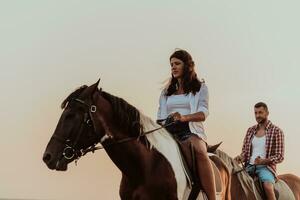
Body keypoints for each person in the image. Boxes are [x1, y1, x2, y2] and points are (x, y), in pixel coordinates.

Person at [157, 49, 216, 200]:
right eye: (171, 64)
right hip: (169, 131)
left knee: (199, 150)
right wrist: (167, 122)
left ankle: (211, 197)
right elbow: (160, 117)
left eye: (177, 63)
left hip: (191, 131)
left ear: (187, 66)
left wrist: (183, 118)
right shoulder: (165, 92)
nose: (173, 67)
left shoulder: (200, 88)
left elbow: (203, 114)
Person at [234, 102, 285, 200]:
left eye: (260, 112)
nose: (258, 115)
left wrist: (263, 161)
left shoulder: (277, 131)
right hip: (249, 167)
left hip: (266, 168)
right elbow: (245, 152)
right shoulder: (250, 130)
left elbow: (280, 156)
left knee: (268, 187)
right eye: (256, 113)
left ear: (267, 113)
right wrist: (240, 157)